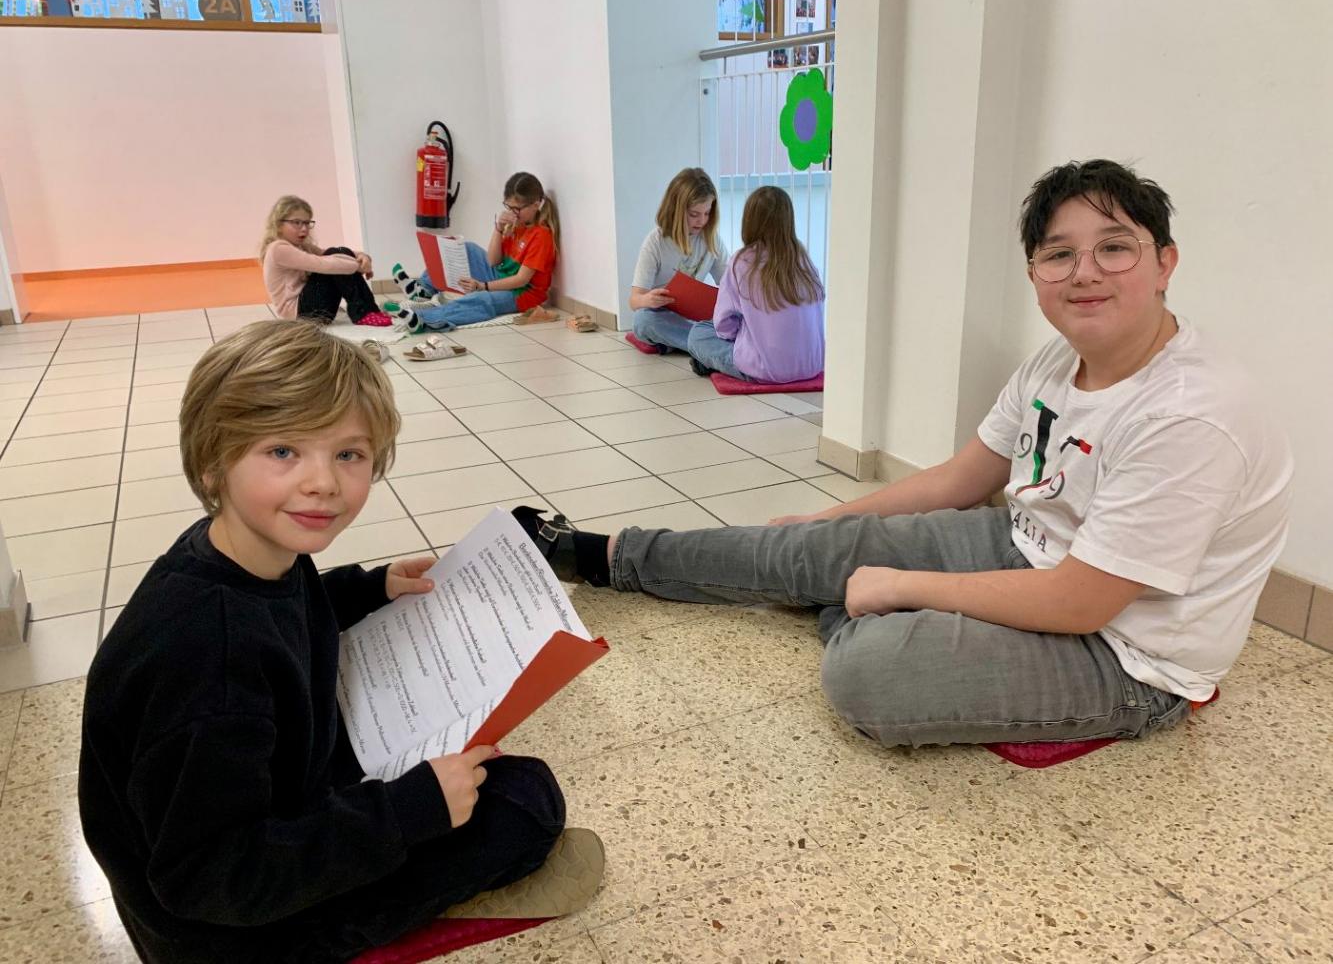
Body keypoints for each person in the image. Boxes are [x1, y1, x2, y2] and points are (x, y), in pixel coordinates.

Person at [514, 159, 1293, 750]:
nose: (1084, 272)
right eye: (1058, 254)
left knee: (868, 672)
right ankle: (601, 555)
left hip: (1124, 654)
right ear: (1034, 273)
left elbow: (1080, 604)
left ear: (1164, 263)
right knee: (804, 544)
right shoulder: (1056, 361)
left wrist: (900, 584)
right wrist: (830, 522)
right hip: (1023, 548)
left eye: (1114, 248)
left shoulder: (1190, 414)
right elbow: (962, 478)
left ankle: (848, 600)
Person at [79, 320, 598, 964]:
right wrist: (407, 812)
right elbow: (210, 880)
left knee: (466, 766)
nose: (323, 482)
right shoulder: (208, 661)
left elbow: (286, 607)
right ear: (213, 463)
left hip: (267, 810)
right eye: (283, 451)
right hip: (231, 933)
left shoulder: (244, 552)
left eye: (348, 455)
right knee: (524, 800)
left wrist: (369, 587)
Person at [685, 185, 825, 383]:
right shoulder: (803, 258)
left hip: (766, 370)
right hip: (812, 365)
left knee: (699, 334)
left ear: (749, 220)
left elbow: (724, 325)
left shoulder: (742, 261)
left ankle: (712, 362)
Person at [390, 172, 560, 332]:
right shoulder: (518, 224)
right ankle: (424, 289)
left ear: (535, 205)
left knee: (481, 299)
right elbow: (493, 261)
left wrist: (483, 286)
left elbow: (521, 280)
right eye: (508, 207)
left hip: (522, 293)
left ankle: (424, 320)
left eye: (516, 209)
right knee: (467, 248)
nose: (511, 213)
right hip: (502, 276)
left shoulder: (541, 236)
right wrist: (498, 229)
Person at [628, 167, 729, 354]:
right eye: (694, 214)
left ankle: (682, 343)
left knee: (733, 315)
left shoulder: (711, 239)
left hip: (695, 318)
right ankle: (707, 345)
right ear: (676, 210)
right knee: (642, 320)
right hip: (663, 317)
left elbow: (729, 285)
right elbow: (634, 301)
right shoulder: (656, 242)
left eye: (707, 213)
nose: (702, 221)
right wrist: (648, 299)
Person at [260, 195, 392, 326]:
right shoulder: (278, 249)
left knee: (339, 251)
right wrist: (358, 266)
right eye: (297, 222)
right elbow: (323, 264)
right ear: (278, 224)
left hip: (312, 310)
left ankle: (370, 310)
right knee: (333, 260)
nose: (304, 228)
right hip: (299, 315)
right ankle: (363, 312)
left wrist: (363, 257)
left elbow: (332, 253)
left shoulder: (301, 246)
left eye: (307, 223)